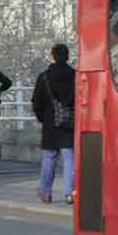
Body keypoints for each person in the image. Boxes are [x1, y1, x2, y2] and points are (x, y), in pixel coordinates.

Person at [32, 42, 77, 204]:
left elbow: (36, 102)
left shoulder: (44, 77)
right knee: (69, 157)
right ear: (67, 57)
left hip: (50, 123)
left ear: (52, 56)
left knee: (49, 157)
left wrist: (42, 118)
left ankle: (45, 192)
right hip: (69, 121)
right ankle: (70, 193)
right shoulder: (75, 75)